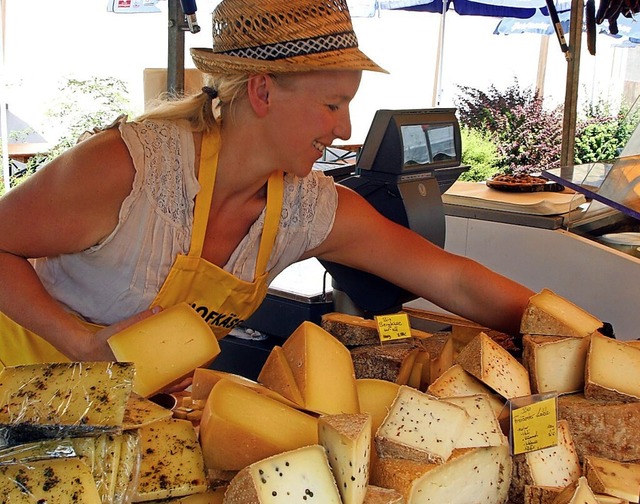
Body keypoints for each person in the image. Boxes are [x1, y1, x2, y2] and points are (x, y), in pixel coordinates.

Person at [0, 0, 534, 373]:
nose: (344, 129)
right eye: (332, 105)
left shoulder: (304, 207)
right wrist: (80, 343)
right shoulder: (131, 169)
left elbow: (455, 281)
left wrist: (571, 331)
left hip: (117, 414)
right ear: (262, 91)